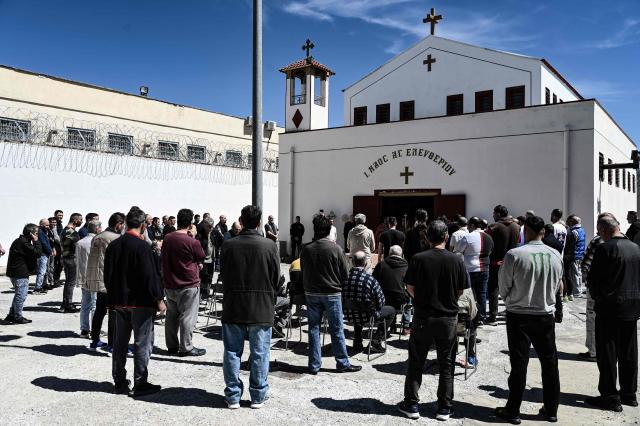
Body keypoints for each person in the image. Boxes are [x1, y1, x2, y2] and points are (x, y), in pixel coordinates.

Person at [397, 220, 468, 421]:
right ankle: (444, 408)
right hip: (447, 318)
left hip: (423, 317)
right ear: (446, 237)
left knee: (416, 361)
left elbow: (409, 287)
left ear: (427, 238)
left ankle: (412, 404)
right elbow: (461, 290)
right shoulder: (456, 260)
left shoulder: (418, 259)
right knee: (447, 364)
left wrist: (420, 298)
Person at [495, 216, 563, 424]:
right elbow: (558, 284)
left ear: (526, 230)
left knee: (519, 363)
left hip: (520, 314)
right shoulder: (555, 255)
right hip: (544, 314)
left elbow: (504, 284)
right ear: (542, 231)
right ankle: (551, 409)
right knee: (549, 363)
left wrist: (509, 300)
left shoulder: (515, 254)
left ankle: (513, 410)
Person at [220, 205, 280, 409]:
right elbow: (275, 278)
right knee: (260, 352)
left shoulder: (228, 245)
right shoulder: (270, 246)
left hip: (234, 304)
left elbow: (223, 275)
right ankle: (258, 395)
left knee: (232, 352)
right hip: (261, 306)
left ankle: (233, 395)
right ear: (260, 222)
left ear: (241, 221)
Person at [105, 207, 165, 397]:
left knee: (120, 343)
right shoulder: (142, 247)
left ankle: (119, 382)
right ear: (143, 225)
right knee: (142, 343)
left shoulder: (114, 245)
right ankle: (140, 382)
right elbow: (150, 277)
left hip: (120, 302)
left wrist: (113, 298)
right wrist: (159, 299)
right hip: (140, 303)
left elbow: (108, 276)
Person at [586, 215, 640, 412]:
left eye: (600, 232)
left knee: (608, 353)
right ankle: (629, 394)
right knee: (629, 352)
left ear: (604, 229)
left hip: (609, 307)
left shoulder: (605, 248)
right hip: (632, 307)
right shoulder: (635, 248)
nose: (600, 235)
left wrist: (598, 296)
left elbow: (593, 280)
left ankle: (610, 396)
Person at [301, 214, 361, 374]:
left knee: (313, 329)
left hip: (312, 293)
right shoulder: (336, 249)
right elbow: (345, 274)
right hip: (332, 293)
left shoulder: (306, 248)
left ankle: (314, 365)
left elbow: (304, 271)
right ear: (329, 230)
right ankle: (342, 362)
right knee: (336, 329)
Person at [162, 208, 206, 357]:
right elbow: (201, 256)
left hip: (170, 283)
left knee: (171, 316)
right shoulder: (192, 241)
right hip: (188, 283)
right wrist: (193, 236)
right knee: (188, 316)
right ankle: (186, 347)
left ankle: (172, 345)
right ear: (190, 223)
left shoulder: (168, 238)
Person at [343, 251, 396, 353]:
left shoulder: (344, 278)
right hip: (368, 316)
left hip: (348, 315)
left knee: (357, 308)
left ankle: (357, 341)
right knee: (391, 310)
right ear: (366, 263)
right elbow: (381, 302)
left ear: (352, 262)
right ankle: (376, 340)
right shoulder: (370, 280)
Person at [86, 212, 125, 351]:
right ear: (118, 225)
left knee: (100, 311)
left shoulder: (97, 236)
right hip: (110, 281)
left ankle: (95, 340)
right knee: (113, 312)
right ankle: (112, 345)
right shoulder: (116, 238)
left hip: (97, 280)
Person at [485, 205, 520, 325]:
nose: (493, 215)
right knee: (512, 288)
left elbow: (487, 244)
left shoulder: (493, 227)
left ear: (499, 214)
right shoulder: (517, 226)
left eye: (494, 213)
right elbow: (519, 241)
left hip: (496, 262)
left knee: (493, 289)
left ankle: (492, 315)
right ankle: (510, 313)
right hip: (514, 262)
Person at [455, 217, 493, 324]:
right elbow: (490, 251)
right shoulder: (489, 237)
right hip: (484, 268)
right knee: (482, 293)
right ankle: (481, 317)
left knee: (468, 293)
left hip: (470, 269)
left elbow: (458, 251)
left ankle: (470, 316)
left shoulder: (468, 237)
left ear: (472, 225)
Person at [4, 224, 42, 324]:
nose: (37, 235)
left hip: (17, 271)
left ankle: (11, 315)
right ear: (31, 233)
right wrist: (36, 241)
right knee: (21, 295)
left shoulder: (21, 241)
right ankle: (18, 317)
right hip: (19, 272)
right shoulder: (23, 242)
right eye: (36, 233)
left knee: (19, 294)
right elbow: (37, 253)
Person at [373, 245, 411, 334]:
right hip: (400, 297)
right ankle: (405, 326)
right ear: (401, 255)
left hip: (384, 296)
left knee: (389, 299)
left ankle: (392, 325)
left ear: (389, 254)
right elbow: (410, 283)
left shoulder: (381, 264)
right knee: (409, 300)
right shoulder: (406, 266)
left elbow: (374, 280)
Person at [77, 220, 101, 337]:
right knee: (94, 304)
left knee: (85, 303)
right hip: (95, 276)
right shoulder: (98, 241)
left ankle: (84, 329)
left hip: (83, 276)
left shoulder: (80, 242)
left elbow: (78, 261)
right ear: (97, 229)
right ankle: (95, 329)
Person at [59, 213, 83, 313]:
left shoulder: (66, 230)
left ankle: (65, 303)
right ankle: (67, 304)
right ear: (75, 220)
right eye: (81, 220)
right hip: (71, 258)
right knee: (70, 283)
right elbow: (78, 245)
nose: (82, 222)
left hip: (67, 258)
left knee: (69, 282)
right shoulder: (70, 232)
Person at [543, 223, 565, 323]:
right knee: (556, 293)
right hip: (557, 266)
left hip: (546, 266)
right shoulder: (558, 242)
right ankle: (559, 314)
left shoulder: (544, 241)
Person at [196, 216, 216, 300]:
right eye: (209, 227)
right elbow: (198, 248)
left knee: (209, 277)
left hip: (211, 259)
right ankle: (202, 294)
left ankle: (206, 293)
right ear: (204, 225)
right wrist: (199, 261)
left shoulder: (214, 233)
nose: (211, 228)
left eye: (212, 226)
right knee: (203, 277)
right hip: (203, 260)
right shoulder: (200, 235)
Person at [568, 215, 586, 297]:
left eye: (569, 221)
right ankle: (579, 289)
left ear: (572, 221)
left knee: (574, 273)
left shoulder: (574, 232)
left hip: (575, 255)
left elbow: (572, 244)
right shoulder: (582, 230)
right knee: (578, 273)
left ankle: (576, 292)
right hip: (580, 255)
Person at [34, 219, 54, 294]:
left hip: (45, 253)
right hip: (42, 254)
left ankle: (44, 284)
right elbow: (44, 243)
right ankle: (37, 288)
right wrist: (50, 251)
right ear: (41, 224)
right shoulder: (40, 232)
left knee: (45, 271)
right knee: (41, 271)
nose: (48, 226)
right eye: (46, 225)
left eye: (48, 225)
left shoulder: (44, 231)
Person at [53, 210, 64, 287]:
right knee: (56, 264)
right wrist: (61, 241)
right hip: (56, 246)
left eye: (61, 215)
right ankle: (54, 280)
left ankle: (57, 279)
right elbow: (55, 235)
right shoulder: (54, 223)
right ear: (55, 215)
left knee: (60, 264)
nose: (60, 216)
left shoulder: (60, 224)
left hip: (60, 246)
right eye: (59, 215)